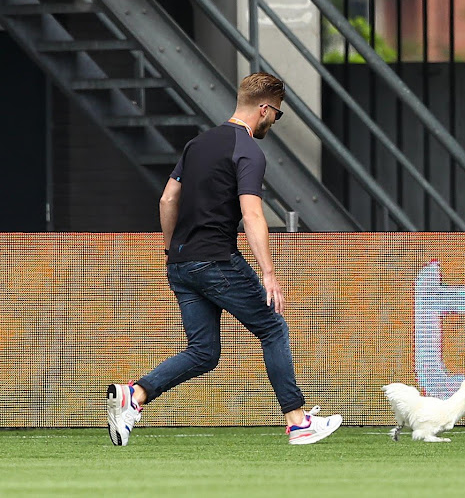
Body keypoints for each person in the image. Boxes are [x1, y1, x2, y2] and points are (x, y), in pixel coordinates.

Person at [106, 72, 342, 446]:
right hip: (216, 261)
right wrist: (268, 273)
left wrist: (172, 253)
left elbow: (167, 200)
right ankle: (299, 422)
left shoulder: (197, 144)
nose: (274, 122)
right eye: (277, 115)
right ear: (264, 109)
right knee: (272, 327)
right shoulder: (248, 150)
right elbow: (252, 215)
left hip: (182, 265)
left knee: (204, 352)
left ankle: (133, 396)